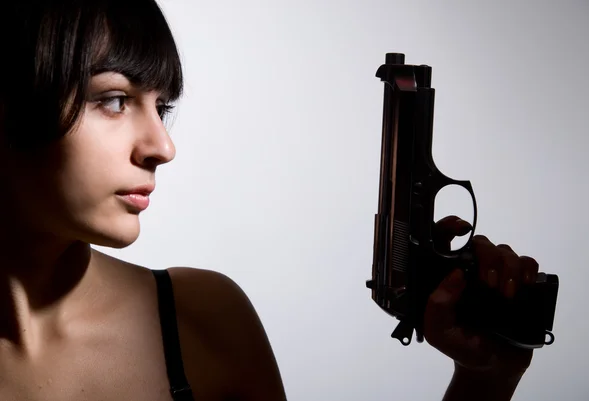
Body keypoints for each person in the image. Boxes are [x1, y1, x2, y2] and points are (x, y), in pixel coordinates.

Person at [0, 1, 539, 400]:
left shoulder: (201, 322)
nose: (163, 147)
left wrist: (483, 382)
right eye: (115, 100)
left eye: (161, 109)